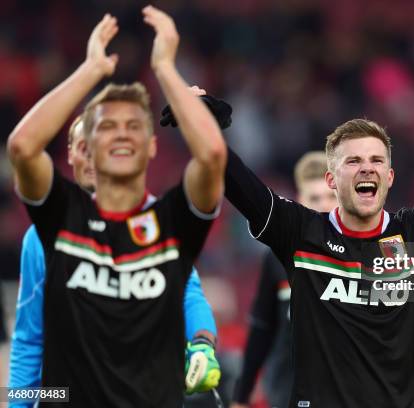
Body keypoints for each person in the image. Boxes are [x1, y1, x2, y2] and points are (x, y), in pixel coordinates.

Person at [220, 94, 414, 406]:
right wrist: (206, 126)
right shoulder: (301, 233)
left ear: (390, 177)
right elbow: (245, 188)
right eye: (353, 161)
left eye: (377, 161)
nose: (367, 169)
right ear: (331, 179)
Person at [6, 6, 226, 407]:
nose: (119, 135)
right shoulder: (52, 226)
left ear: (152, 146)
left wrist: (164, 68)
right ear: (76, 154)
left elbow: (212, 156)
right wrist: (90, 70)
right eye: (105, 127)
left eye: (132, 126)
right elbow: (29, 340)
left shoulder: (169, 221)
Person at [8, 116, 220, 408]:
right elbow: (29, 339)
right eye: (85, 147)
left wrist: (202, 345)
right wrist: (19, 403)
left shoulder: (157, 222)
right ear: (69, 154)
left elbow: (188, 295)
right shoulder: (42, 235)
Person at [231, 151, 336, 408]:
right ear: (300, 200)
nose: (323, 205)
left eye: (331, 197)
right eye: (315, 198)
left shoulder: (365, 258)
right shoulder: (277, 258)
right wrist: (240, 396)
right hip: (287, 392)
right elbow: (262, 327)